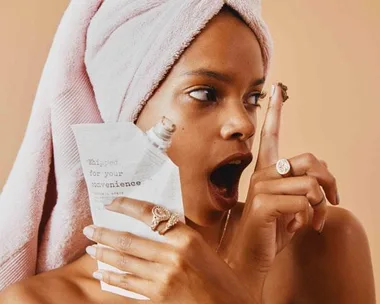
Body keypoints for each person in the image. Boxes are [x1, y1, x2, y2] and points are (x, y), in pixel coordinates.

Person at [0, 3, 375, 304]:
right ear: (126, 111)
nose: (243, 123)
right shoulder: (38, 300)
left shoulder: (321, 241)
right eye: (206, 94)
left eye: (253, 98)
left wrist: (243, 279)